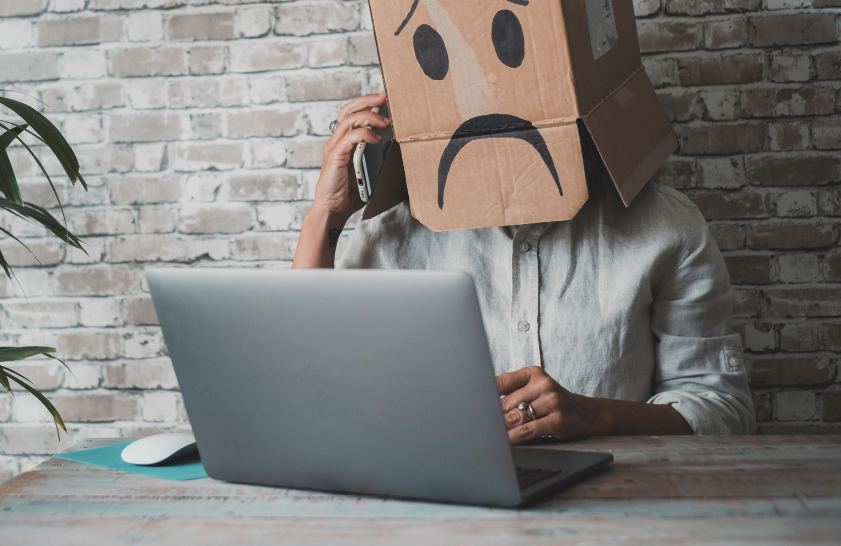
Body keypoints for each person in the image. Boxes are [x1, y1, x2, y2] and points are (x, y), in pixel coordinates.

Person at [293, 92, 756, 442]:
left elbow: (723, 410)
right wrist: (325, 215)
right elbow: (309, 386)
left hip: (616, 506)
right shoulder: (391, 235)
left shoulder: (664, 225)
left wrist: (596, 417)